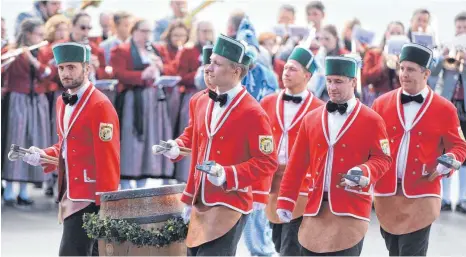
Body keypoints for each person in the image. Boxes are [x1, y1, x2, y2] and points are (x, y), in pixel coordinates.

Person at [162, 34, 278, 256]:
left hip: (230, 202)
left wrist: (228, 174)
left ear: (236, 70)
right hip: (198, 199)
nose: (209, 68)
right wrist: (175, 146)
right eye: (209, 62)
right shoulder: (200, 101)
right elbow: (193, 134)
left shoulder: (253, 112)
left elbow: (267, 162)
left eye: (216, 63)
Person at [277, 55, 392, 256]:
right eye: (329, 81)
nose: (332, 87)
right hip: (314, 210)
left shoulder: (372, 120)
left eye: (338, 81)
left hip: (352, 210)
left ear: (353, 82)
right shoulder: (311, 119)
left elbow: (383, 158)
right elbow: (296, 165)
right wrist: (286, 200)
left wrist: (364, 171)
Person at [22, 42, 120, 256]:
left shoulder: (100, 104)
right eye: (61, 68)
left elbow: (108, 157)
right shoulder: (61, 102)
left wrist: (106, 201)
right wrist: (42, 155)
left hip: (90, 195)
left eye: (71, 67)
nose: (65, 73)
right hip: (70, 191)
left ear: (87, 69)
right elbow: (66, 146)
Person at [372, 43, 466, 256]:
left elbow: (459, 146)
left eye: (411, 69)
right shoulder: (381, 103)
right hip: (386, 192)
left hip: (423, 192)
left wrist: (448, 162)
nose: (404, 74)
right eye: (402, 68)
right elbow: (369, 143)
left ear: (426, 73)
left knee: (411, 252)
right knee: (394, 250)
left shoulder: (445, 108)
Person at [261, 46, 324, 256]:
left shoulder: (319, 108)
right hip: (273, 180)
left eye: (293, 69)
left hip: (301, 182)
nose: (286, 72)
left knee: (291, 245)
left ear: (307, 76)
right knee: (278, 241)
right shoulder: (268, 102)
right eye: (285, 68)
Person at [111, 19, 173, 189]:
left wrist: (162, 67)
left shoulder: (157, 49)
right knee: (131, 139)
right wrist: (141, 75)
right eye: (143, 31)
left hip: (153, 101)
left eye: (149, 31)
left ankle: (142, 182)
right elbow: (118, 73)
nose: (147, 35)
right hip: (133, 99)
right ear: (134, 31)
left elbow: (172, 69)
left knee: (149, 140)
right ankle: (125, 181)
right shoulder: (121, 50)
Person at [2, 18, 53, 206]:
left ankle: (24, 191)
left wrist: (32, 59)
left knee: (33, 144)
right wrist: (14, 56)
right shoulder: (11, 51)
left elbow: (48, 74)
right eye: (39, 34)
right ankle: (9, 189)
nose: (42, 37)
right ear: (28, 34)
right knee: (15, 141)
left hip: (36, 102)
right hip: (17, 100)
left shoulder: (43, 52)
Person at [171, 20, 214, 182]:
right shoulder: (188, 50)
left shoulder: (216, 50)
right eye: (203, 31)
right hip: (192, 94)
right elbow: (180, 76)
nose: (206, 34)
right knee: (191, 134)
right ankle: (185, 175)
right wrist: (199, 73)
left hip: (212, 95)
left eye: (209, 31)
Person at [438, 11, 466, 213]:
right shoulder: (448, 48)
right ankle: (445, 198)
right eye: (459, 28)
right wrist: (443, 56)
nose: (461, 31)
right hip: (449, 105)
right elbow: (434, 76)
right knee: (445, 150)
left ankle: (464, 198)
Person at [361, 21, 405, 106]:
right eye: (392, 33)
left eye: (399, 33)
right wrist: (382, 64)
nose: (395, 36)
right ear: (386, 34)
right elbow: (365, 79)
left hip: (399, 99)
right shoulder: (373, 53)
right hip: (378, 98)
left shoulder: (407, 58)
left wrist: (399, 69)